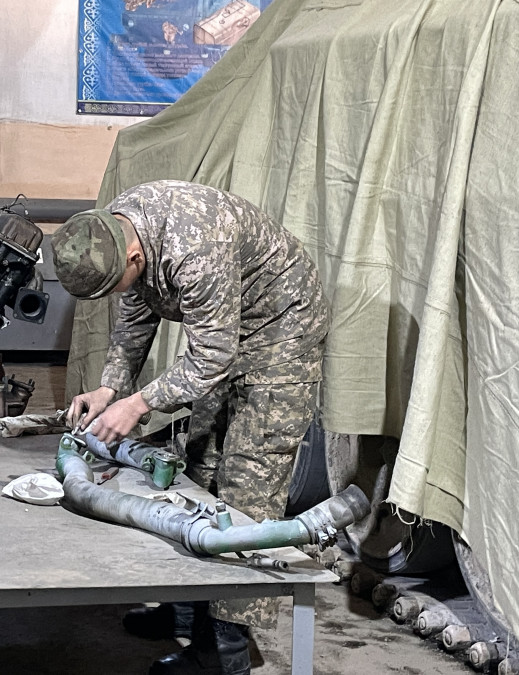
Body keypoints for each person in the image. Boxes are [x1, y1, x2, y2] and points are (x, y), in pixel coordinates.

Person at [51, 180, 330, 675]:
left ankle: (223, 652)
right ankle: (183, 608)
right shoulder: (113, 228)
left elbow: (212, 357)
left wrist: (138, 404)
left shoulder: (195, 248)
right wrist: (109, 389)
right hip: (227, 331)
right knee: (198, 467)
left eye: (116, 285)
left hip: (281, 333)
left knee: (247, 488)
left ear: (134, 256)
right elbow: (134, 321)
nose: (119, 294)